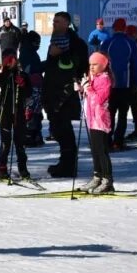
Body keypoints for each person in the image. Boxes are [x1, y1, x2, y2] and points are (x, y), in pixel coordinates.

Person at [42, 11, 89, 177]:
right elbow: (51, 65)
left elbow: (80, 64)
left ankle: (68, 165)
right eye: (53, 21)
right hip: (52, 89)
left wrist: (62, 54)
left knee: (63, 129)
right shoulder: (56, 40)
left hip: (65, 92)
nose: (54, 24)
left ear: (66, 23)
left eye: (58, 21)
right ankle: (65, 161)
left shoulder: (74, 42)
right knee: (57, 128)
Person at [99, 18, 137, 151]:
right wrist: (136, 82)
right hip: (125, 84)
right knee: (123, 114)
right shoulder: (130, 43)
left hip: (109, 85)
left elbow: (100, 63)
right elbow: (135, 65)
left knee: (109, 113)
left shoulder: (107, 43)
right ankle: (118, 141)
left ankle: (107, 140)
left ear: (113, 28)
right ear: (124, 28)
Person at [79, 52, 115, 194]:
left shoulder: (105, 79)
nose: (92, 67)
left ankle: (107, 180)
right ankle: (97, 177)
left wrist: (88, 88)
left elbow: (99, 99)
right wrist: (82, 89)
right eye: (90, 65)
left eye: (95, 65)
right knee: (94, 150)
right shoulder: (93, 78)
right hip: (92, 119)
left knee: (101, 151)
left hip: (101, 120)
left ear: (103, 65)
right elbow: (89, 95)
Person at [0, 50, 32, 180]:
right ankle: (2, 167)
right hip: (5, 111)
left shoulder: (23, 75)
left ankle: (23, 167)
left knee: (20, 141)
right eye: (9, 61)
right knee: (6, 142)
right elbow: (0, 81)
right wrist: (9, 72)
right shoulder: (1, 76)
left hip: (19, 111)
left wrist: (23, 84)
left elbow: (29, 92)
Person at [19, 30, 45, 148]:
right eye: (37, 42)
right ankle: (29, 135)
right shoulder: (26, 52)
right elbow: (32, 68)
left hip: (36, 83)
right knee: (31, 109)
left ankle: (36, 134)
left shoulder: (30, 51)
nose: (38, 45)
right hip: (31, 85)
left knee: (37, 109)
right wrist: (46, 64)